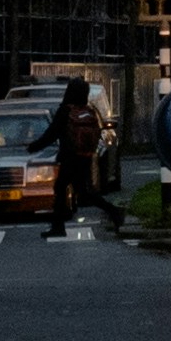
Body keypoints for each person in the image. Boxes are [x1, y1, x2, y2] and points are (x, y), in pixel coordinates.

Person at [48, 78, 113, 237]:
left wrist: (34, 146)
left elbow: (52, 133)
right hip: (84, 156)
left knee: (62, 188)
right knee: (84, 192)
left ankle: (58, 227)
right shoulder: (88, 111)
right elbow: (97, 133)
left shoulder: (65, 110)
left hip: (69, 156)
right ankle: (114, 212)